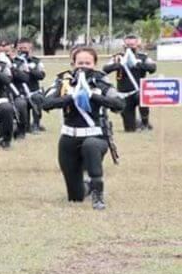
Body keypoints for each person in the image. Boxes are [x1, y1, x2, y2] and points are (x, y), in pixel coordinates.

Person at [42, 47, 125, 210]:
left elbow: (119, 104)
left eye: (88, 63)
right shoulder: (63, 82)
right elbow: (46, 103)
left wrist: (92, 95)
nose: (83, 66)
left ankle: (98, 195)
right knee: (75, 197)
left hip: (95, 136)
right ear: (73, 63)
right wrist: (72, 96)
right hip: (69, 138)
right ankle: (87, 187)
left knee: (91, 146)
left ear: (94, 64)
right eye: (80, 63)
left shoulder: (101, 82)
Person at [102, 35, 157, 132]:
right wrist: (119, 65)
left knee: (142, 97)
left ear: (137, 45)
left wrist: (137, 64)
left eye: (132, 45)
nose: (130, 47)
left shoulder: (143, 57)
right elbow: (105, 69)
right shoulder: (117, 57)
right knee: (130, 129)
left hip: (138, 91)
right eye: (127, 45)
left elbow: (152, 68)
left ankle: (145, 122)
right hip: (124, 94)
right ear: (123, 45)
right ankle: (135, 123)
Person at [12, 38, 46, 133]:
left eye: (25, 48)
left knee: (37, 98)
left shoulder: (36, 61)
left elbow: (42, 75)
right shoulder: (13, 62)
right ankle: (25, 126)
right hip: (20, 93)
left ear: (31, 49)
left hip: (33, 92)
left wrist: (30, 70)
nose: (22, 50)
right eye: (20, 48)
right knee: (21, 104)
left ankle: (36, 124)